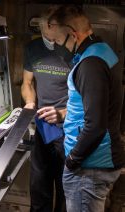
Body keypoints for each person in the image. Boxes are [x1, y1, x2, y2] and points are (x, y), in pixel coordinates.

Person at [48, 5, 125, 212]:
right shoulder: (100, 51)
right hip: (94, 163)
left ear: (72, 35)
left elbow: (96, 125)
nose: (56, 46)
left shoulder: (91, 64)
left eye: (56, 41)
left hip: (89, 168)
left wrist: (73, 160)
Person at [22, 6, 70, 212]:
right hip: (43, 127)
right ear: (44, 27)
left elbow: (84, 96)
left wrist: (63, 113)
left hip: (68, 127)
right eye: (48, 36)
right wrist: (30, 102)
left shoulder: (71, 51)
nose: (53, 41)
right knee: (39, 185)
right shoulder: (32, 48)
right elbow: (27, 83)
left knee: (65, 188)